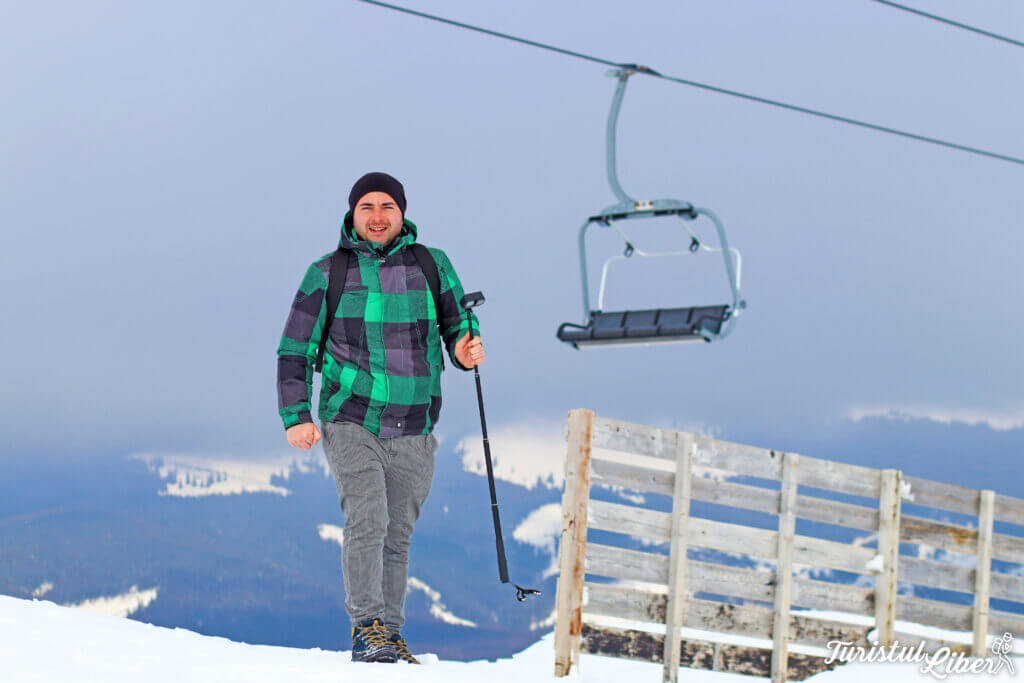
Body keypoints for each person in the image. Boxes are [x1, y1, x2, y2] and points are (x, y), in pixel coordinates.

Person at [275, 172, 484, 663]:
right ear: (352, 214)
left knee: (398, 532)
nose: (376, 216)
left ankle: (390, 633)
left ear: (402, 213)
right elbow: (294, 350)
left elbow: (458, 324)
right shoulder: (327, 273)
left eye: (386, 206)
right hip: (352, 418)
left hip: (415, 425)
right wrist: (295, 416)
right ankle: (367, 628)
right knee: (367, 518)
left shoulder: (432, 265)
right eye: (366, 206)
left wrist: (464, 347)